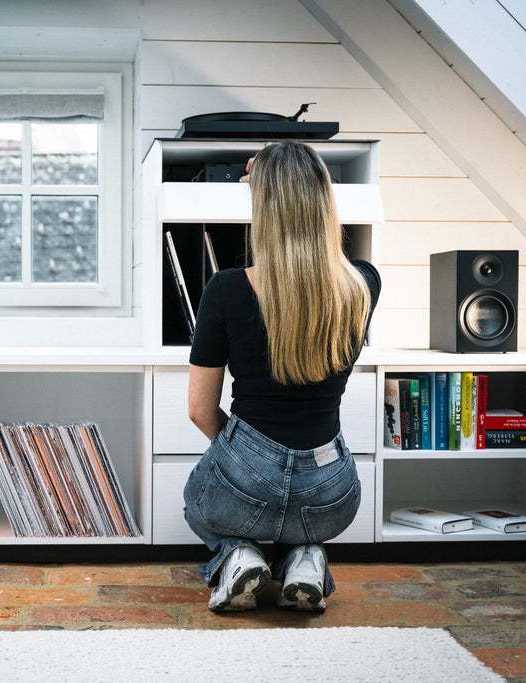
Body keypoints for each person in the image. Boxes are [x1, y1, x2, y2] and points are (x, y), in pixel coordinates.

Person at [182, 140, 381, 613]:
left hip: (242, 485)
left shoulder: (226, 289)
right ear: (324, 201)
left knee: (197, 500)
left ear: (263, 207)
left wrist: (244, 459)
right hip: (331, 493)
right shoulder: (364, 284)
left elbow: (199, 410)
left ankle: (239, 556)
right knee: (297, 518)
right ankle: (305, 558)